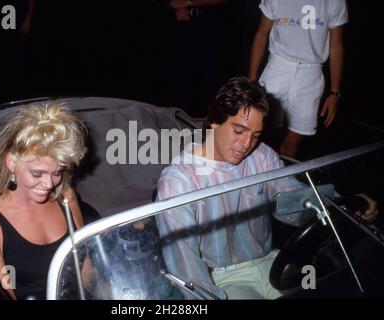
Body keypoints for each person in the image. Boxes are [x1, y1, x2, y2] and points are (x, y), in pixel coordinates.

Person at [155, 76, 377, 299]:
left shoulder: (261, 156)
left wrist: (341, 205)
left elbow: (295, 200)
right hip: (223, 279)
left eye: (255, 135)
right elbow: (184, 262)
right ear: (214, 121)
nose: (246, 145)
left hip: (274, 262)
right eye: (239, 131)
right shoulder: (178, 181)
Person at [0, 103, 87, 300]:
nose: (49, 184)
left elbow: (85, 269)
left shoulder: (65, 196)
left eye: (57, 172)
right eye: (37, 173)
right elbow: (4, 294)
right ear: (12, 163)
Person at [248, 0, 348, 159]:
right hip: (277, 67)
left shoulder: (334, 2)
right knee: (259, 131)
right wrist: (252, 80)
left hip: (311, 72)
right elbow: (261, 34)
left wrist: (335, 92)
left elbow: (336, 46)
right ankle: (254, 176)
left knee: (293, 140)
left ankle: (281, 181)